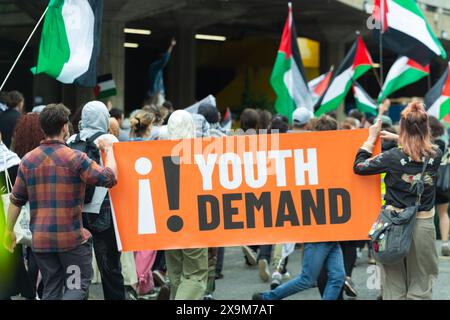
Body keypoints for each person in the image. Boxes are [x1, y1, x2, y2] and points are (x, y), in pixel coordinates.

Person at [3, 103, 118, 300]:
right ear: (65, 127)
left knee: (51, 289)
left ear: (42, 127)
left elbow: (16, 200)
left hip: (41, 241)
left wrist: (8, 230)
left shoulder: (28, 160)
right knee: (75, 287)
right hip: (71, 240)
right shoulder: (76, 158)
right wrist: (111, 150)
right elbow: (110, 178)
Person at [354, 102, 442, 300]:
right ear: (426, 127)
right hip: (423, 224)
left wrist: (371, 138)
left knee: (393, 283)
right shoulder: (435, 154)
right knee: (421, 283)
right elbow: (424, 144)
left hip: (393, 224)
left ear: (402, 128)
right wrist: (401, 137)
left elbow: (359, 167)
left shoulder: (391, 157)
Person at [252, 115, 345, 301]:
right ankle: (267, 298)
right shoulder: (318, 158)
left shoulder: (312, 155)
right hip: (320, 226)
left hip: (329, 227)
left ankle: (268, 297)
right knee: (308, 278)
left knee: (337, 276)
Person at [67, 101, 126, 300]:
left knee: (76, 268)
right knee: (110, 267)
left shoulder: (71, 139)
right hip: (104, 210)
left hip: (76, 212)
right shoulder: (108, 139)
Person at [165, 110, 208, 300]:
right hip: (194, 220)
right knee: (195, 273)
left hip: (166, 221)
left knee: (175, 271)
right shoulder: (200, 152)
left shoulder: (156, 151)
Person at [10, 113, 46, 299]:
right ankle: (36, 290)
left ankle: (30, 290)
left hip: (22, 213)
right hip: (42, 213)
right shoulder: (44, 157)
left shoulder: (16, 159)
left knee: (28, 248)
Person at [428, 116, 450, 256]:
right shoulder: (445, 142)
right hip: (444, 183)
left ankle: (428, 245)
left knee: (427, 215)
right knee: (443, 213)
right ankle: (445, 242)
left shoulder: (427, 143)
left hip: (429, 182)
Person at [148, 38, 176, 103]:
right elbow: (165, 59)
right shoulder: (154, 66)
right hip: (156, 94)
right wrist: (171, 46)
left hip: (155, 94)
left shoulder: (154, 68)